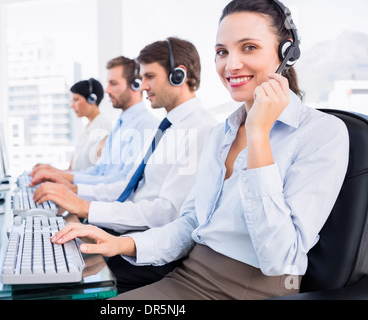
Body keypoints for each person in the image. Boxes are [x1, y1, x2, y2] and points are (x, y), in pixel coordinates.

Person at [50, 0, 350, 300]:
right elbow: (192, 222)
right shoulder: (221, 133)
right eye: (222, 52)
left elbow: (278, 257)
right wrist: (123, 244)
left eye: (249, 47)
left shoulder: (322, 133)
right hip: (189, 275)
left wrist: (259, 135)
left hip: (248, 290)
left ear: (287, 53)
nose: (230, 65)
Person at [34, 37, 217, 292]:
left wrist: (86, 207)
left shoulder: (201, 130)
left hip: (153, 249)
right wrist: (85, 207)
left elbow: (167, 214)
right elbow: (130, 188)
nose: (143, 87)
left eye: (150, 77)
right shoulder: (168, 127)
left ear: (178, 75)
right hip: (133, 231)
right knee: (52, 253)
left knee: (66, 284)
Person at [30, 56, 159, 186]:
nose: (107, 90)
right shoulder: (120, 124)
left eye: (113, 83)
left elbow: (122, 182)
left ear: (136, 85)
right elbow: (99, 171)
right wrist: (56, 175)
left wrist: (72, 188)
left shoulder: (146, 126)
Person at [68, 78, 112, 171]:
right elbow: (71, 170)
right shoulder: (84, 129)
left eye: (76, 100)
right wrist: (48, 170)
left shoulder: (104, 127)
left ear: (92, 99)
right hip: (73, 183)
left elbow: (101, 172)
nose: (72, 105)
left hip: (85, 184)